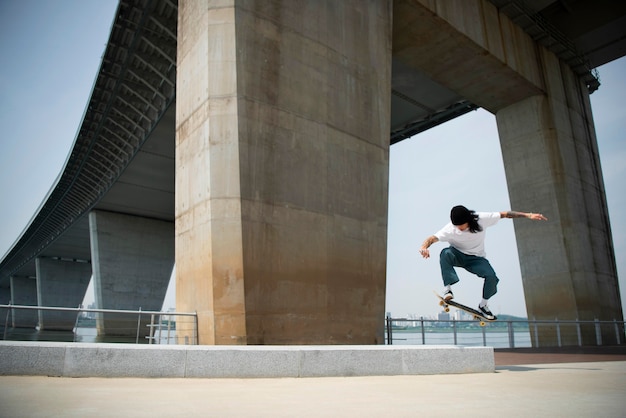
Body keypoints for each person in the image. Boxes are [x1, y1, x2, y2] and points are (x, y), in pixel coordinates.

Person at [419, 205, 547, 320]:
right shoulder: (450, 228)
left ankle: (483, 305)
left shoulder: (482, 219)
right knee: (445, 253)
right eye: (456, 226)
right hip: (457, 255)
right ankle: (448, 290)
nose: (459, 228)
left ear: (468, 220)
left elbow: (505, 214)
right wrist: (424, 247)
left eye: (461, 225)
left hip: (476, 259)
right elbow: (432, 238)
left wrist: (528, 215)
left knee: (492, 277)